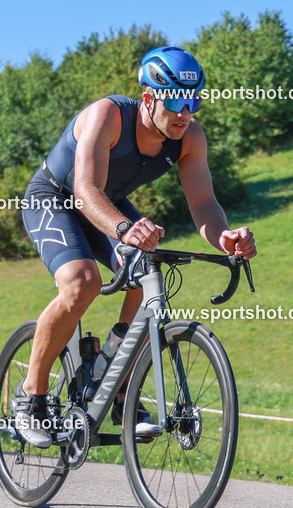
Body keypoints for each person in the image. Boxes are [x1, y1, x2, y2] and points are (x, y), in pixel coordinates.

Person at [17, 46, 257, 447]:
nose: (186, 113)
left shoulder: (189, 137)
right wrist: (125, 227)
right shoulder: (108, 115)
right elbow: (83, 189)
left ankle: (119, 384)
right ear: (149, 98)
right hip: (57, 198)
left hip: (107, 205)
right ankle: (32, 396)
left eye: (194, 101)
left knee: (148, 276)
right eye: (177, 102)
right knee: (81, 282)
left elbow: (203, 204)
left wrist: (224, 237)